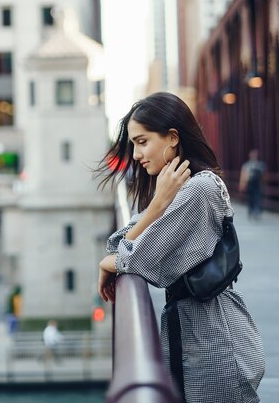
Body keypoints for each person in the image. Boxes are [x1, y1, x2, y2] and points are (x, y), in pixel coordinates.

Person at [96, 92, 264, 403]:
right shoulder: (174, 190)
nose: (135, 154)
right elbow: (118, 245)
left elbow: (133, 256)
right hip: (196, 335)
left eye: (142, 142)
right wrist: (156, 204)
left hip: (216, 342)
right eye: (133, 144)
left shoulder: (199, 189)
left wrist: (155, 208)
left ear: (172, 138)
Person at [239, 149, 266, 219]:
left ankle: (257, 211)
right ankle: (251, 210)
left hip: (257, 183)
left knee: (258, 197)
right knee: (251, 198)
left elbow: (263, 175)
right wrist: (242, 184)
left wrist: (263, 183)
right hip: (250, 183)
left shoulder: (260, 165)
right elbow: (243, 175)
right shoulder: (247, 165)